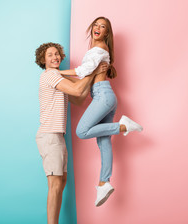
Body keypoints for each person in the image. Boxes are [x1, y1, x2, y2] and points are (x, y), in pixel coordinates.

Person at [59, 16, 143, 207]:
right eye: (96, 25)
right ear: (92, 29)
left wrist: (57, 72)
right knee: (104, 143)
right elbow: (91, 71)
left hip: (103, 96)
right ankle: (104, 183)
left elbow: (85, 70)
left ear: (107, 33)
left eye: (103, 26)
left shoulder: (100, 48)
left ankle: (123, 126)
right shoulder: (98, 50)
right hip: (104, 96)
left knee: (81, 131)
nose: (98, 28)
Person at [35, 42, 107, 224]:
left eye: (57, 54)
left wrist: (93, 77)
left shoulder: (58, 77)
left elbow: (79, 98)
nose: (55, 57)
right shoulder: (49, 75)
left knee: (61, 182)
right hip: (49, 135)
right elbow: (76, 91)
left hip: (57, 136)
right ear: (43, 60)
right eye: (50, 55)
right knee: (55, 185)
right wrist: (92, 72)